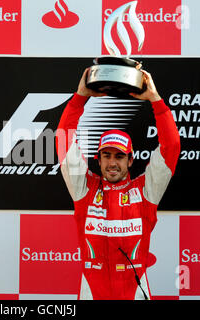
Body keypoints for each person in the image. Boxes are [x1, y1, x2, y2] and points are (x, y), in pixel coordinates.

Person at [56, 68, 180, 300]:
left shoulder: (146, 191)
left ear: (131, 160)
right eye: (107, 155)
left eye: (119, 156)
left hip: (133, 291)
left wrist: (155, 99)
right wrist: (80, 97)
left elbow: (171, 148)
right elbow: (64, 141)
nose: (112, 163)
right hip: (92, 291)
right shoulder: (84, 188)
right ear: (99, 159)